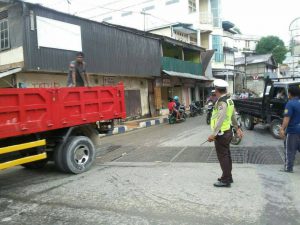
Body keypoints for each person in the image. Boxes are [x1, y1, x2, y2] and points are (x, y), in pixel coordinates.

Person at [207, 79, 243, 187]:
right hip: (227, 132)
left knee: (223, 156)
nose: (215, 93)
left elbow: (220, 119)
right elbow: (232, 116)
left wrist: (213, 134)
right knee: (226, 155)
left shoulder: (222, 102)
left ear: (217, 90)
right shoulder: (229, 100)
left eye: (215, 91)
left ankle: (226, 180)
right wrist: (237, 128)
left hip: (221, 134)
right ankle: (228, 176)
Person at [279, 86, 300, 172]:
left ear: (290, 94)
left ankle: (288, 168)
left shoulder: (290, 103)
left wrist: (282, 129)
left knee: (290, 150)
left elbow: (287, 118)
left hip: (293, 131)